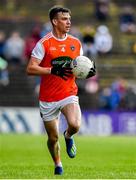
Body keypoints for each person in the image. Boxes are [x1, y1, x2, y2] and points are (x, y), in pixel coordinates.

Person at [26, 6, 96, 175]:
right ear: (54, 21)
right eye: (64, 19)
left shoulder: (76, 43)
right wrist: (52, 70)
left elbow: (77, 68)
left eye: (69, 18)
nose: (68, 21)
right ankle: (58, 164)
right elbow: (30, 69)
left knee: (75, 124)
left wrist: (88, 72)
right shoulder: (44, 44)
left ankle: (69, 136)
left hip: (68, 93)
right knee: (52, 138)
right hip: (48, 97)